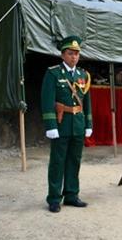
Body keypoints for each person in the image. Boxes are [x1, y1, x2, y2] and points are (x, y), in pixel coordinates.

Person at [41, 36, 93, 213]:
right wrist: (51, 125)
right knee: (57, 162)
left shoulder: (82, 75)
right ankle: (54, 198)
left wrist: (88, 123)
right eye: (70, 53)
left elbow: (86, 102)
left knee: (74, 161)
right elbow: (47, 101)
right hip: (61, 124)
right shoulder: (53, 73)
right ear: (62, 55)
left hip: (77, 124)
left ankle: (71, 195)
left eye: (77, 54)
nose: (74, 57)